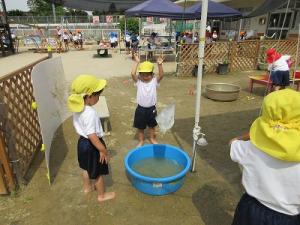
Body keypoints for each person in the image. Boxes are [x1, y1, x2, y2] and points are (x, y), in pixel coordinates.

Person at [229, 89, 300, 225]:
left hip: (251, 209)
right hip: (289, 217)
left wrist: (254, 135)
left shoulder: (250, 148)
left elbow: (232, 143)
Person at [68, 74, 115, 202]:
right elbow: (92, 135)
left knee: (85, 167)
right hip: (92, 144)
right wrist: (102, 150)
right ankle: (101, 196)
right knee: (98, 172)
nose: (99, 98)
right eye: (97, 95)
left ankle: (87, 188)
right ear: (89, 96)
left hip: (82, 143)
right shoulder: (90, 113)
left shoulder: (77, 108)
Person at [131, 53, 164, 146]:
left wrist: (160, 65)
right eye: (143, 75)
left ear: (152, 74)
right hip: (140, 108)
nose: (145, 77)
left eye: (147, 75)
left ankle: (151, 138)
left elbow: (161, 75)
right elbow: (132, 73)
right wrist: (136, 62)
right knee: (140, 127)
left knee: (152, 126)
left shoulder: (154, 81)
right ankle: (141, 140)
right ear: (140, 75)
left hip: (151, 108)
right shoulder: (139, 82)